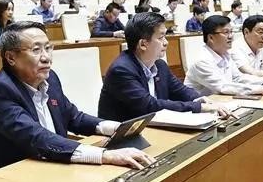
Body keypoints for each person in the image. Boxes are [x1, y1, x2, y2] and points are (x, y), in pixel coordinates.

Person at [0, 21, 156, 176]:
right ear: (11, 57)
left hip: (50, 169)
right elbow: (38, 138)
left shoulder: (49, 78)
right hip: (7, 180)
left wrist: (117, 128)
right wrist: (105, 155)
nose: (46, 57)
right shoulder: (0, 92)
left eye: (48, 48)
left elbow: (73, 117)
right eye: (36, 50)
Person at [98, 12, 230, 122]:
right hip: (123, 140)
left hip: (153, 127)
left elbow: (181, 91)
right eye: (161, 37)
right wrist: (199, 107)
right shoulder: (122, 70)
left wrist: (201, 100)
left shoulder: (160, 65)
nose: (166, 43)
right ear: (143, 44)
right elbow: (150, 106)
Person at [184, 15, 263, 97]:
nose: (231, 36)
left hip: (221, 102)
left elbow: (238, 78)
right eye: (226, 32)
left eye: (231, 32)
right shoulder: (202, 60)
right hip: (201, 109)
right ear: (210, 37)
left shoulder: (225, 54)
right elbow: (223, 87)